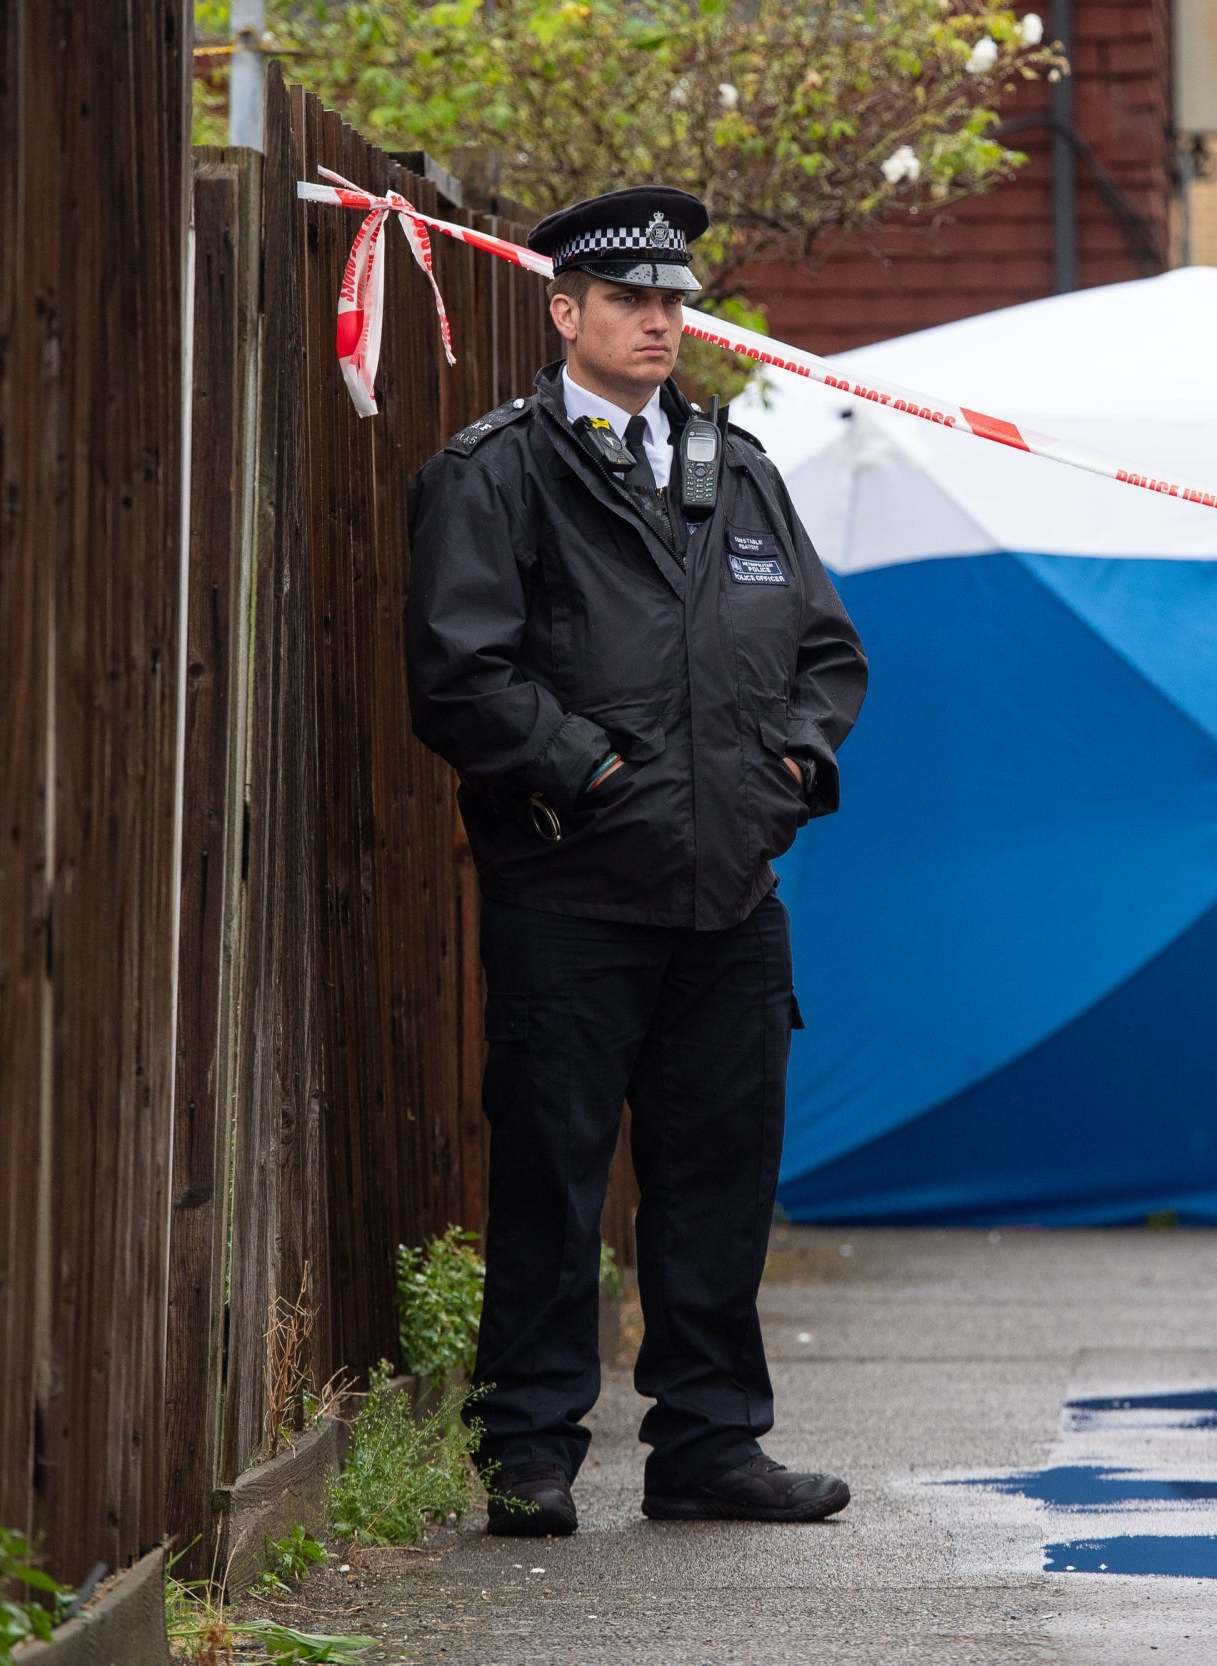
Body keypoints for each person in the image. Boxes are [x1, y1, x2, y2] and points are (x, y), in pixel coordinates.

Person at [403, 184, 867, 1537]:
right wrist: (592, 772)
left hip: (730, 892)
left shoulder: (738, 466)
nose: (660, 320)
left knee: (721, 1172)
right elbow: (457, 676)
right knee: (551, 1174)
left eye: (674, 300)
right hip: (573, 890)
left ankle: (710, 1443)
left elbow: (825, 655)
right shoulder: (494, 472)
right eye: (629, 300)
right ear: (566, 312)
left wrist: (787, 772)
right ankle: (530, 1449)